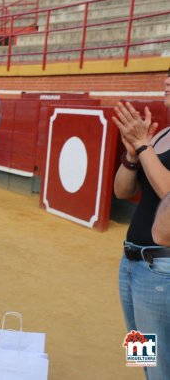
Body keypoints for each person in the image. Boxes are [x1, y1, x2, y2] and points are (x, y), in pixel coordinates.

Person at [112, 67, 170, 380]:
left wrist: (144, 147)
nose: (168, 81)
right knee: (142, 354)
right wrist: (132, 155)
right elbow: (122, 191)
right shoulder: (160, 135)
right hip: (131, 262)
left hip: (161, 269)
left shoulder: (152, 141)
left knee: (160, 362)